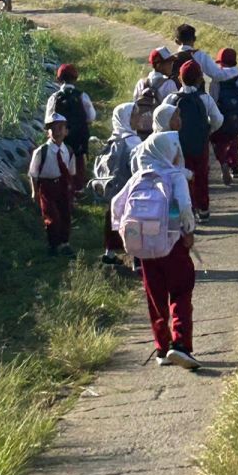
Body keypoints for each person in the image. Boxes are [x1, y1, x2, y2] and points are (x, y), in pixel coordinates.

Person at [112, 132, 200, 369]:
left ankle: (162, 347)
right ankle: (180, 345)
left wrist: (124, 233)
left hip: (144, 249)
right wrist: (189, 232)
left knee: (155, 297)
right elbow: (184, 208)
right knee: (181, 293)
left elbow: (116, 205)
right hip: (172, 245)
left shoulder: (138, 177)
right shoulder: (174, 176)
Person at [163, 60, 223, 222]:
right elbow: (218, 119)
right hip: (200, 144)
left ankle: (185, 210)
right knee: (201, 175)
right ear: (199, 79)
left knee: (179, 176)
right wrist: (208, 131)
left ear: (180, 79)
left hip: (177, 145)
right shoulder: (205, 98)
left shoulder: (171, 98)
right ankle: (203, 210)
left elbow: (162, 118)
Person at [95, 103, 141, 266]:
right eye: (134, 115)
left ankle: (110, 253)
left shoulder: (113, 140)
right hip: (130, 190)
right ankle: (137, 259)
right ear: (126, 119)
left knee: (113, 220)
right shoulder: (133, 142)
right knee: (133, 222)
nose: (138, 118)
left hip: (114, 191)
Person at [29, 111, 76, 256]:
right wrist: (34, 191)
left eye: (61, 127)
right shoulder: (41, 151)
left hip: (62, 185)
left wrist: (70, 187)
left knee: (65, 214)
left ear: (66, 131)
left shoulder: (68, 150)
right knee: (52, 216)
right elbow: (33, 174)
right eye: (53, 128)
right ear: (48, 132)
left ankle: (64, 243)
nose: (57, 131)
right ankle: (53, 245)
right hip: (47, 187)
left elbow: (71, 171)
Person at [45, 64, 96, 194]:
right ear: (75, 78)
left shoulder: (54, 98)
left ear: (58, 79)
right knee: (78, 160)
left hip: (60, 136)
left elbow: (48, 120)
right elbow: (91, 116)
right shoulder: (82, 96)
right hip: (79, 136)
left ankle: (62, 187)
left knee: (60, 159)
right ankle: (78, 188)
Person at [207, 47, 238, 185]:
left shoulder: (217, 78)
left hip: (222, 114)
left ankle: (223, 162)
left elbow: (213, 97)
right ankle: (234, 166)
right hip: (237, 116)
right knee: (234, 139)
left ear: (220, 62)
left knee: (218, 140)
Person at [170, 24, 238, 86]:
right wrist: (234, 70)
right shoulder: (200, 55)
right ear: (194, 39)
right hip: (195, 97)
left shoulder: (170, 59)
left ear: (176, 41)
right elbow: (217, 75)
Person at [132, 46, 178, 139]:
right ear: (158, 65)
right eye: (168, 63)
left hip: (141, 130)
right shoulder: (169, 84)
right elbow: (173, 110)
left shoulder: (141, 83)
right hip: (160, 132)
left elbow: (134, 103)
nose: (171, 65)